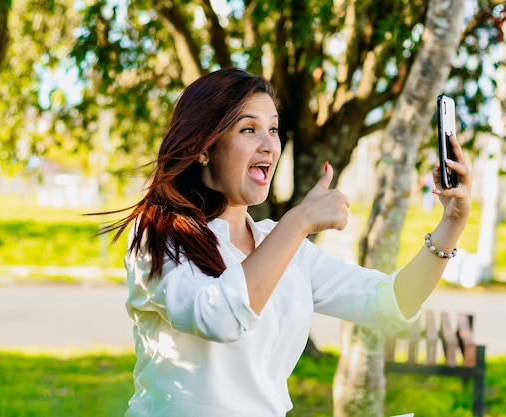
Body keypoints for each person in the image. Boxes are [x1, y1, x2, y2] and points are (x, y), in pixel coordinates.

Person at [106, 68, 473, 416]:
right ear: (204, 147)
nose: (269, 145)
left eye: (274, 130)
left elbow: (389, 302)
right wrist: (298, 221)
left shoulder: (279, 243)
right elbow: (218, 317)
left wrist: (452, 223)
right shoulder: (158, 235)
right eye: (248, 130)